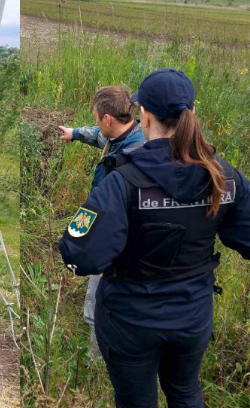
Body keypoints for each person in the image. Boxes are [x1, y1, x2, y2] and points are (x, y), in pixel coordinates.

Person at [59, 68, 250, 408]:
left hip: (130, 321)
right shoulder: (223, 176)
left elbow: (79, 254)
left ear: (143, 115)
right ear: (191, 112)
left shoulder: (123, 179)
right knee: (185, 393)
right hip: (191, 317)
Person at [58, 86, 145, 359]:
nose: (95, 122)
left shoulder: (133, 157)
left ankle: (97, 361)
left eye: (96, 117)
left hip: (116, 239)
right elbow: (100, 136)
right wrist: (75, 133)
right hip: (116, 235)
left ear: (108, 119)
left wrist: (108, 258)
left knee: (99, 304)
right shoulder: (129, 133)